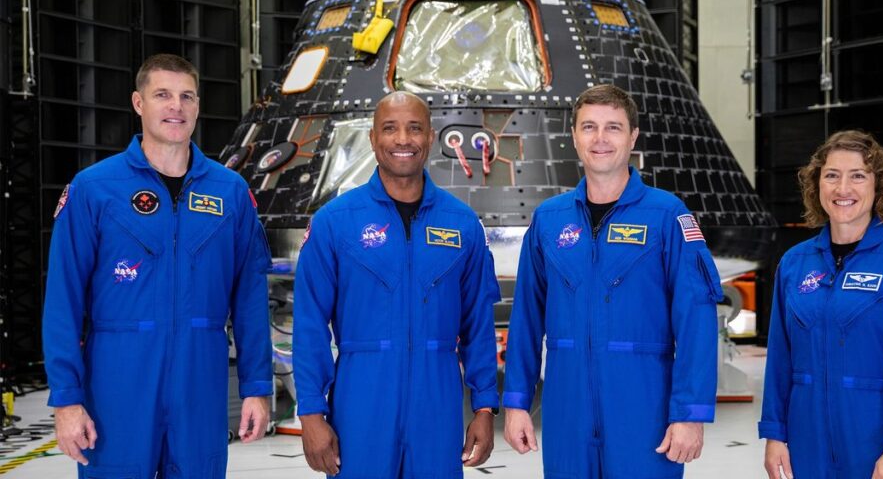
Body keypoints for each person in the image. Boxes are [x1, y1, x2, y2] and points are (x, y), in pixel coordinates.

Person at [42, 53, 273, 477]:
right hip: (117, 384)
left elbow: (251, 301)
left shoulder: (231, 193)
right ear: (138, 103)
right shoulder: (95, 190)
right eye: (162, 95)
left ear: (198, 106)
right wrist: (67, 399)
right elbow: (63, 301)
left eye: (187, 96)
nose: (176, 107)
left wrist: (257, 387)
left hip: (199, 383)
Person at [501, 84, 723, 478]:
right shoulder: (549, 220)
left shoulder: (667, 216)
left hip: (644, 407)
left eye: (613, 128)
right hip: (567, 408)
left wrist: (689, 413)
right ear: (573, 136)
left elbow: (696, 320)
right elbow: (526, 319)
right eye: (589, 127)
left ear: (633, 136)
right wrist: (517, 401)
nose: (600, 139)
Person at [292, 91, 500, 478]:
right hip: (361, 399)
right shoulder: (335, 223)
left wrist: (485, 407)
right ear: (373, 138)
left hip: (437, 401)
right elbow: (308, 324)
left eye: (414, 128)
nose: (403, 139)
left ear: (431, 137)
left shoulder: (463, 224)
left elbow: (478, 325)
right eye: (390, 128)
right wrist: (310, 412)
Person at [759, 130, 883, 479]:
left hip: (875, 444)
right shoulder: (794, 263)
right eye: (831, 175)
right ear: (817, 184)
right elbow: (780, 358)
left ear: (878, 187)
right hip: (806, 444)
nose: (842, 189)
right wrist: (774, 435)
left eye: (857, 176)